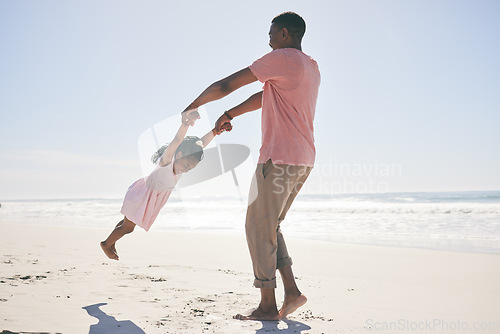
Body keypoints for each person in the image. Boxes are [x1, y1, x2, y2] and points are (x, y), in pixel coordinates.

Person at [182, 12, 320, 321]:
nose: (268, 39)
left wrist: (193, 106)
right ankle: (292, 293)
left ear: (285, 34)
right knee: (270, 225)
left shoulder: (281, 58)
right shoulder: (310, 66)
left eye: (272, 33)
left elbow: (228, 83)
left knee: (257, 227)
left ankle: (268, 307)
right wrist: (231, 113)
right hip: (303, 159)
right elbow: (266, 95)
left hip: (278, 158)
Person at [100, 109, 232, 260]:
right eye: (187, 166)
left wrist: (216, 131)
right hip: (144, 195)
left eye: (190, 169)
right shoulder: (167, 161)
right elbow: (177, 141)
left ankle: (112, 241)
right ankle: (106, 244)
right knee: (128, 227)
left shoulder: (184, 160)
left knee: (127, 222)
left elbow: (201, 144)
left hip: (150, 196)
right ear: (180, 155)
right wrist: (185, 124)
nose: (187, 170)